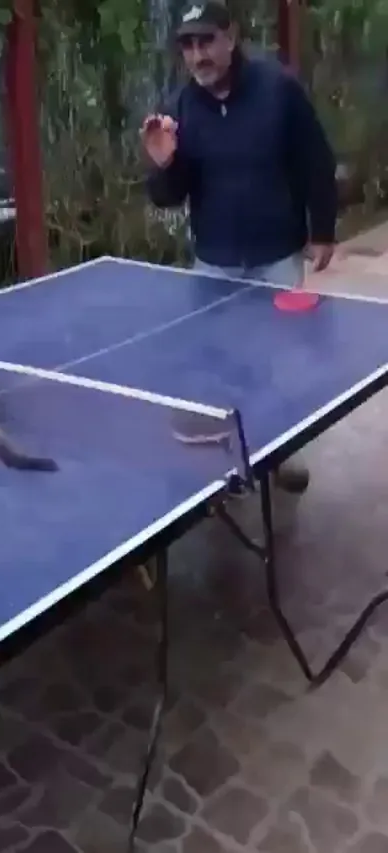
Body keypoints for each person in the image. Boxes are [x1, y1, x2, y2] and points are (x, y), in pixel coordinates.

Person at [140, 0, 338, 495]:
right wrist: (164, 165)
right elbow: (170, 197)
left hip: (276, 255)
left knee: (279, 362)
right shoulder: (180, 107)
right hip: (214, 263)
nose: (198, 54)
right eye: (188, 45)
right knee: (221, 365)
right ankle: (232, 458)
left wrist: (324, 230)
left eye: (206, 41)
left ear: (232, 37)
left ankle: (283, 452)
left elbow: (315, 160)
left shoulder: (279, 89)